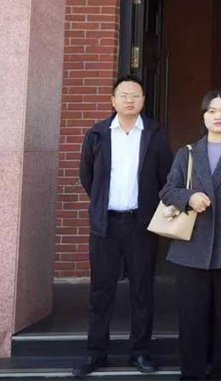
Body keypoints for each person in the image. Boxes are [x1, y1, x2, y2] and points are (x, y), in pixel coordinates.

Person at [73, 75, 173, 378]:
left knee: (142, 290)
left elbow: (166, 176)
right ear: (113, 101)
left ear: (143, 100)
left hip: (141, 224)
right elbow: (87, 176)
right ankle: (96, 351)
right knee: (101, 291)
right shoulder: (98, 134)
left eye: (135, 95)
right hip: (106, 224)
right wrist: (101, 202)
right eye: (124, 95)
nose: (130, 100)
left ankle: (140, 351)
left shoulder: (155, 135)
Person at [160, 90, 221, 381]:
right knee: (192, 318)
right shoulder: (188, 153)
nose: (218, 116)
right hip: (192, 248)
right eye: (212, 111)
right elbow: (167, 190)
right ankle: (192, 374)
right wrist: (189, 197)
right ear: (203, 117)